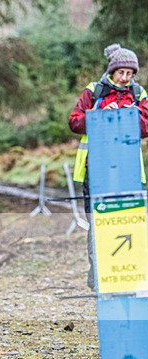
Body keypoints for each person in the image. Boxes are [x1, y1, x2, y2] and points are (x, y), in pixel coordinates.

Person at [68, 43, 148, 289]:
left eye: (130, 74)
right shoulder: (94, 91)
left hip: (128, 169)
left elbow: (146, 126)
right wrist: (100, 112)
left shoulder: (139, 94)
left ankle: (127, 272)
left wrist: (130, 113)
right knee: (98, 221)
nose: (125, 78)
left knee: (127, 219)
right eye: (121, 72)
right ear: (112, 71)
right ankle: (98, 276)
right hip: (96, 167)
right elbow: (74, 122)